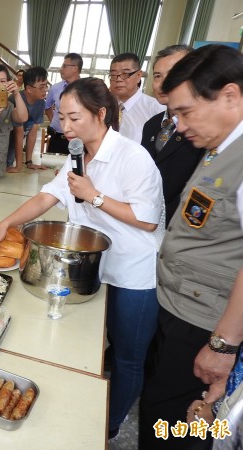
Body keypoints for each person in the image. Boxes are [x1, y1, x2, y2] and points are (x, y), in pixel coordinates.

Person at [0, 77, 163, 441]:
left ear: (101, 114)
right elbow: (47, 197)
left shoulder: (133, 157)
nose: (64, 127)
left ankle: (109, 428)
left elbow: (147, 219)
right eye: (61, 118)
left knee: (129, 356)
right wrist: (6, 223)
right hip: (97, 265)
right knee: (103, 341)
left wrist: (94, 196)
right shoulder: (79, 154)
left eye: (73, 118)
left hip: (133, 272)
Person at [139, 44, 243, 450]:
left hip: (207, 327)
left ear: (230, 96)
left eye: (186, 112)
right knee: (163, 414)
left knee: (179, 427)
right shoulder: (220, 145)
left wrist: (223, 345)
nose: (179, 126)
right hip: (183, 311)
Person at [141, 44, 204, 224]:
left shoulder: (203, 129)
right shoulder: (152, 125)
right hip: (145, 220)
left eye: (173, 75)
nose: (162, 83)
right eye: (158, 76)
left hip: (182, 224)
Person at [109, 52, 165, 144]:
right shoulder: (104, 106)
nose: (118, 79)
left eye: (125, 74)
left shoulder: (156, 108)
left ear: (139, 75)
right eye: (113, 75)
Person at [7, 66, 48, 171]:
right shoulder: (16, 99)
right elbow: (18, 134)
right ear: (29, 89)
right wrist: (19, 166)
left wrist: (29, 162)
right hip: (5, 145)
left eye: (46, 86)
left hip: (14, 147)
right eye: (41, 87)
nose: (45, 90)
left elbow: (33, 132)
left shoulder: (41, 102)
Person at [45, 53, 82, 155]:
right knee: (52, 167)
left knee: (76, 169)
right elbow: (47, 107)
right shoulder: (55, 88)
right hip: (57, 138)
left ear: (75, 68)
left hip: (78, 140)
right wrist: (56, 122)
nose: (61, 69)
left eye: (64, 66)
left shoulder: (86, 89)